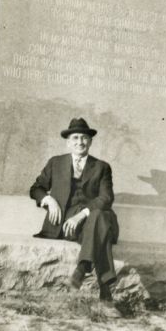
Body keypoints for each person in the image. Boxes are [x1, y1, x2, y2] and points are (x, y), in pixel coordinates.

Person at [30, 117, 119, 302]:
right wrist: (48, 200)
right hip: (66, 223)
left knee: (99, 216)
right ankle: (105, 290)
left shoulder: (102, 167)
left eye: (84, 138)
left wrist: (81, 215)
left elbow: (106, 198)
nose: (80, 142)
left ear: (91, 141)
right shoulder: (55, 163)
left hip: (87, 218)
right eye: (76, 138)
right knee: (100, 223)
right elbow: (36, 188)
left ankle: (83, 267)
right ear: (68, 142)